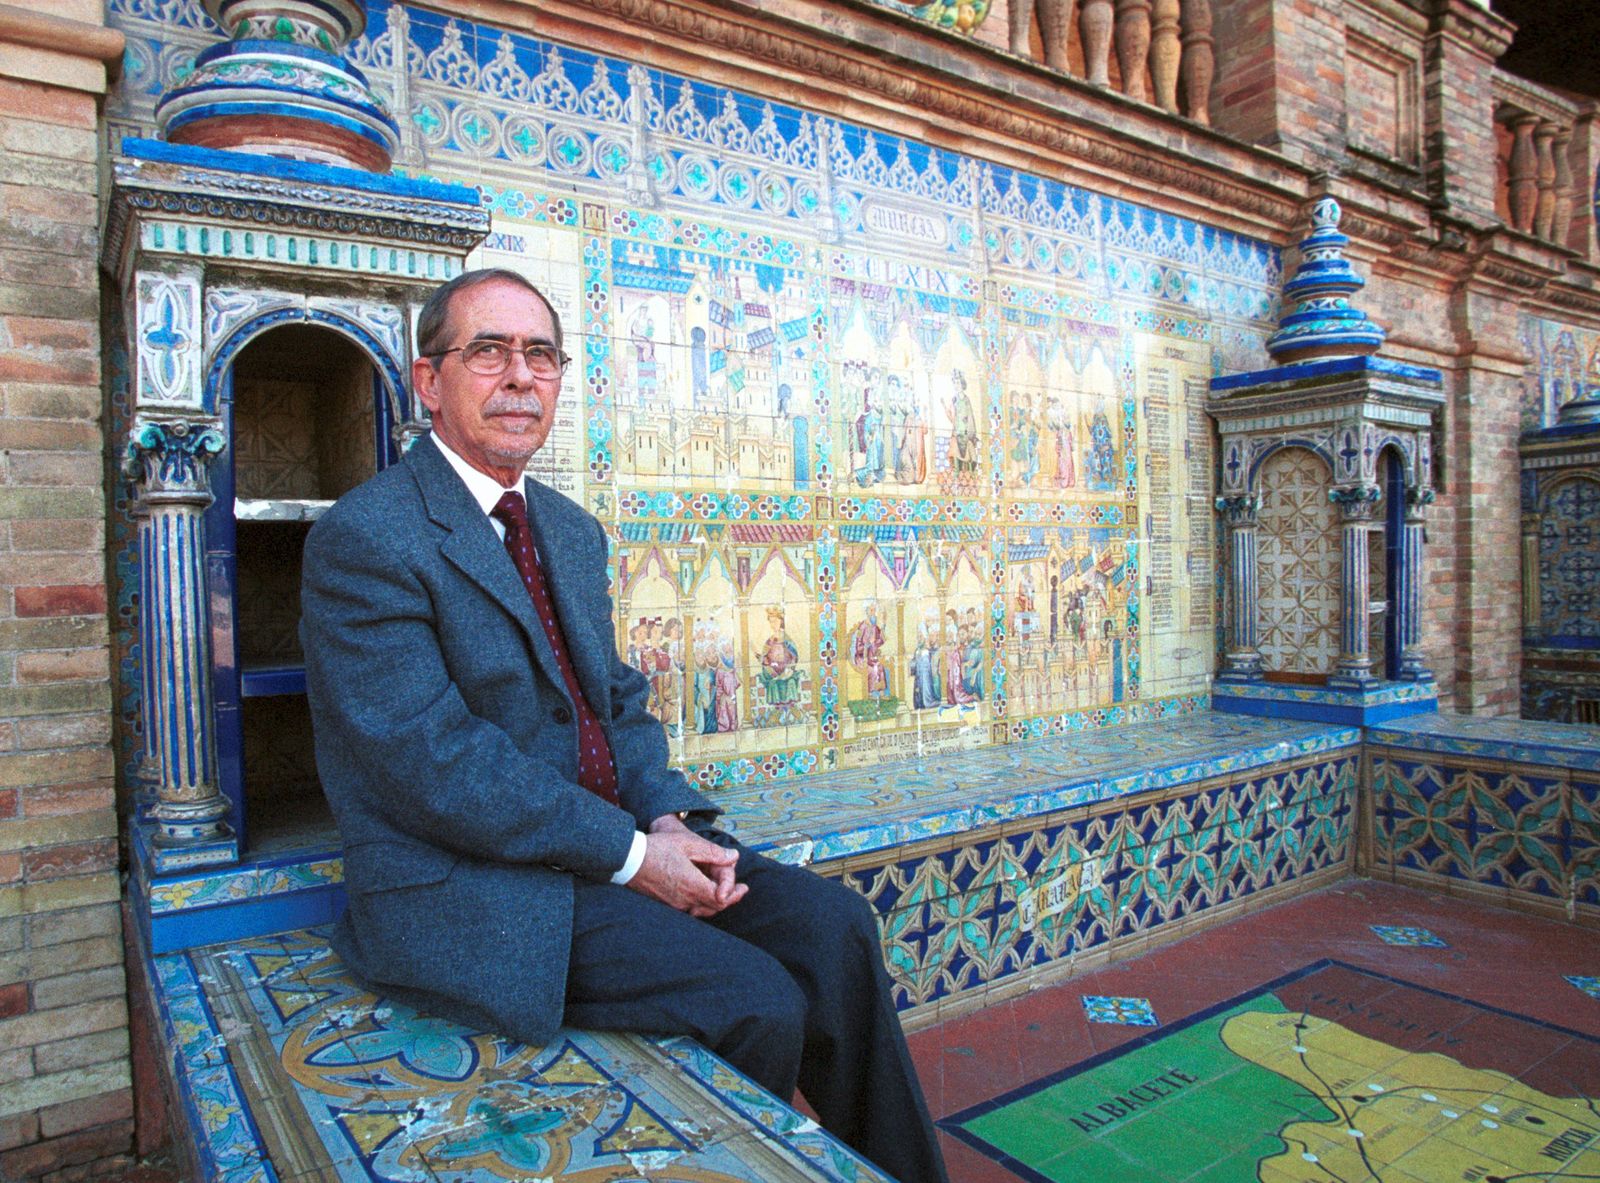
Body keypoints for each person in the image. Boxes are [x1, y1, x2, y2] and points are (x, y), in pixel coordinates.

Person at [300, 269, 947, 1183]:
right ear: (428, 380)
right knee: (753, 999)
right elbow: (430, 762)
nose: (520, 376)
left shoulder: (565, 527)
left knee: (836, 928)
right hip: (479, 885)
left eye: (540, 354)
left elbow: (618, 704)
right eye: (488, 351)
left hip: (605, 848)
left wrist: (670, 820)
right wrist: (638, 859)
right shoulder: (367, 538)